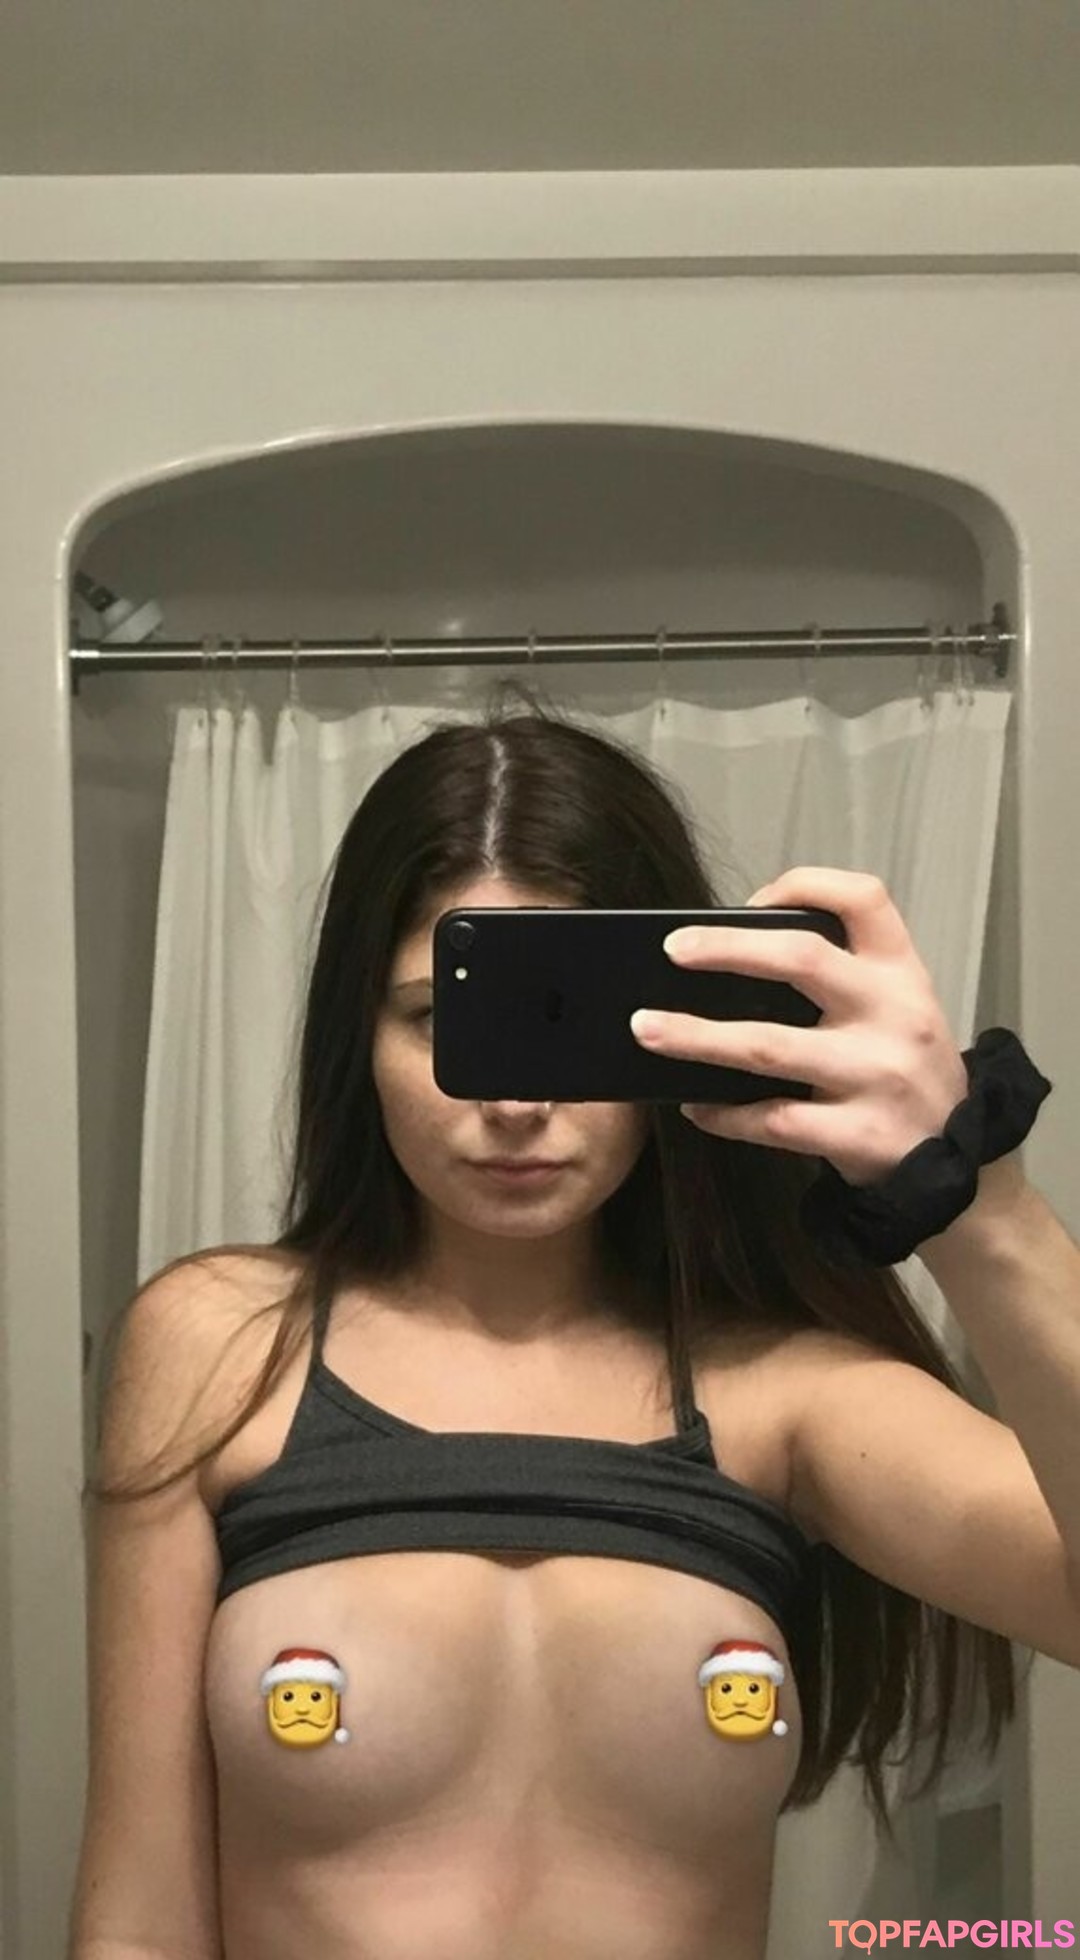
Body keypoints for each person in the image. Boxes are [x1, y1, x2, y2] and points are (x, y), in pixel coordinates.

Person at [70, 691, 1080, 1960]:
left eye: (572, 1024)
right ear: (357, 1038)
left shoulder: (780, 1394)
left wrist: (974, 1196)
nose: (516, 1097)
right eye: (445, 1019)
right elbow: (139, 1925)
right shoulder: (223, 1348)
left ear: (671, 1040)